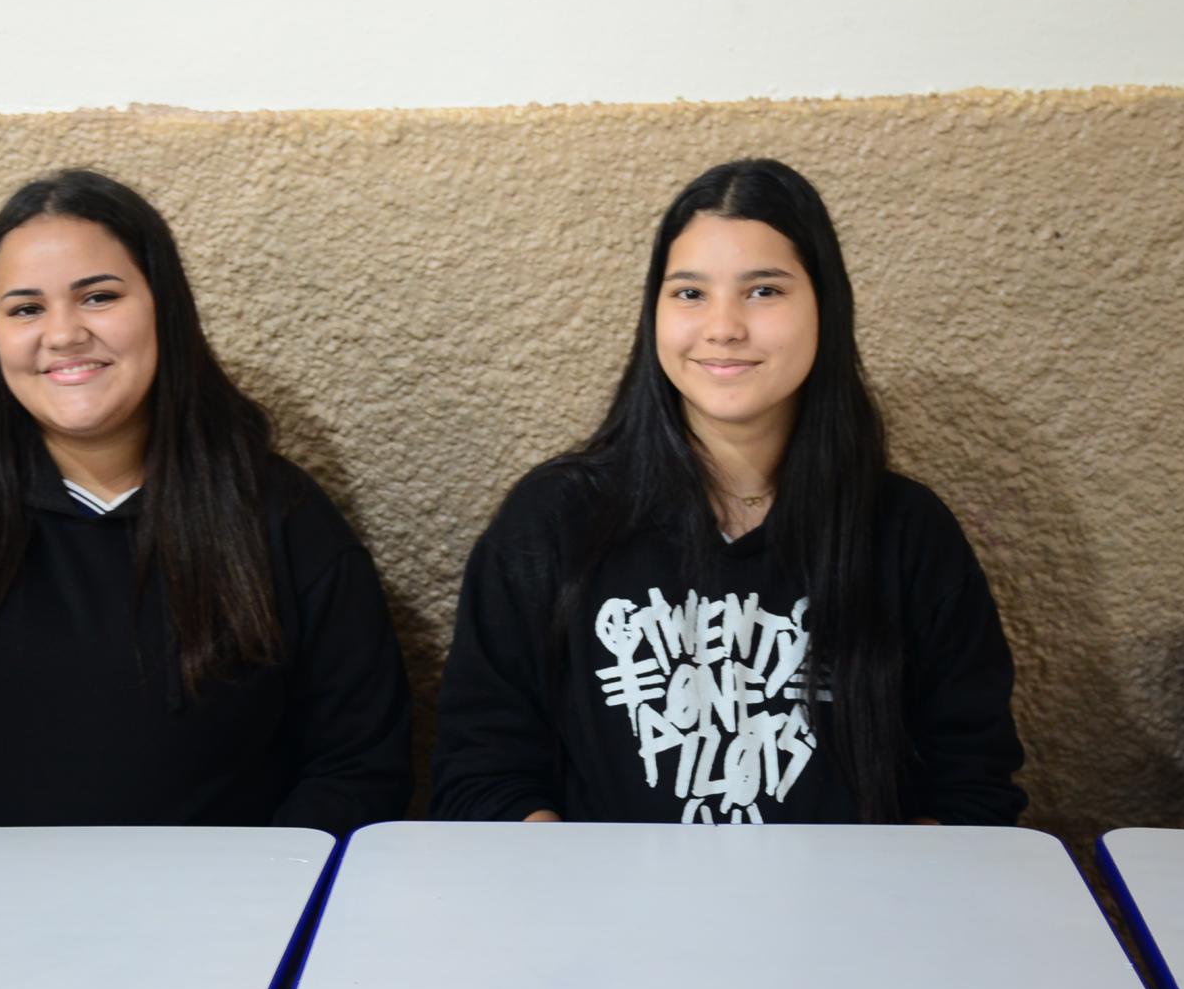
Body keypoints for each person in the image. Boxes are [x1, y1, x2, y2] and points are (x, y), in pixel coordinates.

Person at [0, 169, 412, 834]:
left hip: (214, 927)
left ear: (165, 306)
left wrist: (252, 903)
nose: (64, 333)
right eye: (25, 308)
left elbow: (358, 768)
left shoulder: (282, 517)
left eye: (98, 297)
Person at [430, 159, 1026, 825]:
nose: (722, 327)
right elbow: (482, 769)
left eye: (764, 291)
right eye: (689, 294)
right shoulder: (554, 520)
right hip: (608, 920)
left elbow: (971, 783)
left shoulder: (907, 533)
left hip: (846, 922)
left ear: (826, 307)